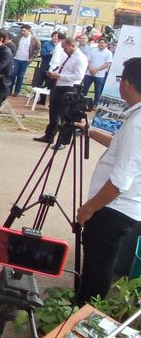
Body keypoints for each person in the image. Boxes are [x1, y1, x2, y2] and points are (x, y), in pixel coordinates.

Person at [74, 58, 141, 306]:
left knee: (97, 268)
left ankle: (84, 316)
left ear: (127, 83)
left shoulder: (137, 124)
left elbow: (119, 181)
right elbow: (121, 147)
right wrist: (89, 130)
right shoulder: (136, 120)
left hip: (113, 209)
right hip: (120, 208)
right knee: (97, 264)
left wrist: (88, 208)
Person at [34, 37, 88, 149]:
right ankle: (49, 135)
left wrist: (60, 76)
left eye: (65, 48)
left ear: (72, 45)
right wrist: (53, 73)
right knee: (53, 112)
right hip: (58, 86)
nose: (64, 50)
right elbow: (62, 68)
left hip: (69, 88)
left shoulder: (80, 58)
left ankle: (63, 141)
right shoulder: (67, 56)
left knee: (65, 115)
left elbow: (78, 76)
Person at [9, 24, 41, 97]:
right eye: (22, 30)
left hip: (26, 60)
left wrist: (33, 57)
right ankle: (9, 90)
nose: (22, 32)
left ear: (29, 31)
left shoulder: (34, 39)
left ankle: (17, 91)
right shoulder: (18, 37)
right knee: (13, 74)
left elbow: (38, 48)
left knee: (20, 76)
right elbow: (13, 45)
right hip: (16, 58)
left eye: (24, 31)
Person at [81, 38, 113, 109]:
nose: (101, 44)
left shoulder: (108, 53)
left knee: (97, 91)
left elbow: (107, 64)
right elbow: (88, 61)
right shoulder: (93, 51)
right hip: (89, 74)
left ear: (106, 44)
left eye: (103, 43)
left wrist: (96, 70)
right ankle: (82, 103)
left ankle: (95, 105)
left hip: (100, 75)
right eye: (100, 43)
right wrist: (90, 69)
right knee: (85, 89)